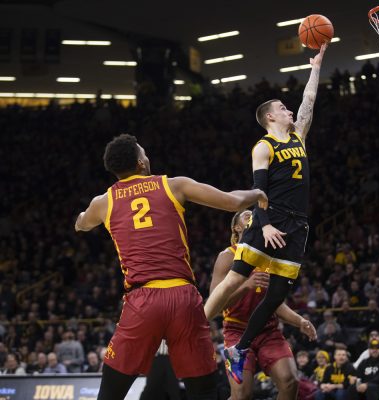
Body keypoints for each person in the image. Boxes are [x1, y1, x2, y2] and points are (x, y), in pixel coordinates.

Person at [74, 134, 267, 400]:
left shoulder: (103, 202)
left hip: (141, 301)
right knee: (205, 393)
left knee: (110, 393)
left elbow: (82, 223)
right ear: (141, 162)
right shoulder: (173, 185)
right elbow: (233, 202)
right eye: (145, 153)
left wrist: (82, 219)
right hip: (183, 299)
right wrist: (257, 192)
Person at [203, 44, 328, 384]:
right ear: (270, 116)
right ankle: (197, 328)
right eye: (283, 108)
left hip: (297, 224)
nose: (290, 111)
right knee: (235, 278)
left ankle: (239, 348)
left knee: (276, 294)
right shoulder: (264, 146)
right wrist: (266, 222)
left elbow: (309, 104)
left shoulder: (298, 138)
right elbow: (258, 189)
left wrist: (316, 66)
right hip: (268, 218)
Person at [210, 210, 317, 400]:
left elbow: (274, 303)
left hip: (268, 330)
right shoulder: (227, 256)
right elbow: (214, 304)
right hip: (237, 330)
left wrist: (300, 321)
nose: (252, 216)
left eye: (254, 214)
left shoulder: (269, 256)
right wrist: (246, 287)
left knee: (290, 382)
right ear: (236, 227)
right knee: (242, 394)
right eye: (246, 215)